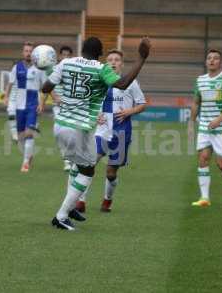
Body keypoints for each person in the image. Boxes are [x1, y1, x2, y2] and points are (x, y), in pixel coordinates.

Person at [42, 36, 151, 230]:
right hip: (78, 128)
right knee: (88, 170)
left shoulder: (66, 62)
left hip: (61, 125)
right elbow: (123, 83)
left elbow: (46, 88)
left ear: (81, 48)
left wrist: (49, 70)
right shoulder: (101, 69)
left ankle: (71, 207)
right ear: (101, 54)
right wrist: (141, 58)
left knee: (81, 164)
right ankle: (61, 216)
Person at [75, 49, 146, 213]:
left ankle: (107, 199)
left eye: (117, 60)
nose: (113, 62)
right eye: (110, 60)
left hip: (122, 133)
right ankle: (81, 201)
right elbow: (89, 105)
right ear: (106, 64)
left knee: (111, 173)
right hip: (101, 132)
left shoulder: (131, 83)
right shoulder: (101, 82)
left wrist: (129, 112)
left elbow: (142, 104)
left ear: (122, 64)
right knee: (89, 163)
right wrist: (95, 116)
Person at [188, 49, 222, 207]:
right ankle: (204, 198)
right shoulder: (200, 80)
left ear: (221, 62)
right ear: (206, 62)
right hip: (205, 127)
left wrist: (219, 120)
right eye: (209, 58)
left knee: (221, 164)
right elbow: (196, 102)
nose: (212, 60)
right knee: (203, 159)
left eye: (215, 58)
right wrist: (191, 123)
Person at [4, 42, 46, 172]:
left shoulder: (40, 69)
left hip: (32, 105)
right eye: (26, 51)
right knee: (20, 135)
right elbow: (10, 84)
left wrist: (42, 103)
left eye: (30, 51)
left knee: (29, 133)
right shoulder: (16, 67)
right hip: (19, 105)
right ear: (23, 53)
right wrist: (6, 97)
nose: (28, 53)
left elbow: (44, 88)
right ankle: (28, 155)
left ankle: (25, 162)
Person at [42, 45, 74, 171]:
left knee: (71, 134)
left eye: (68, 55)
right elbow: (48, 86)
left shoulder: (75, 70)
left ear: (71, 56)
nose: (65, 57)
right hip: (58, 107)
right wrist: (54, 97)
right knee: (58, 133)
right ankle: (66, 160)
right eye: (63, 55)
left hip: (72, 107)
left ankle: (72, 157)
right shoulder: (54, 69)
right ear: (60, 56)